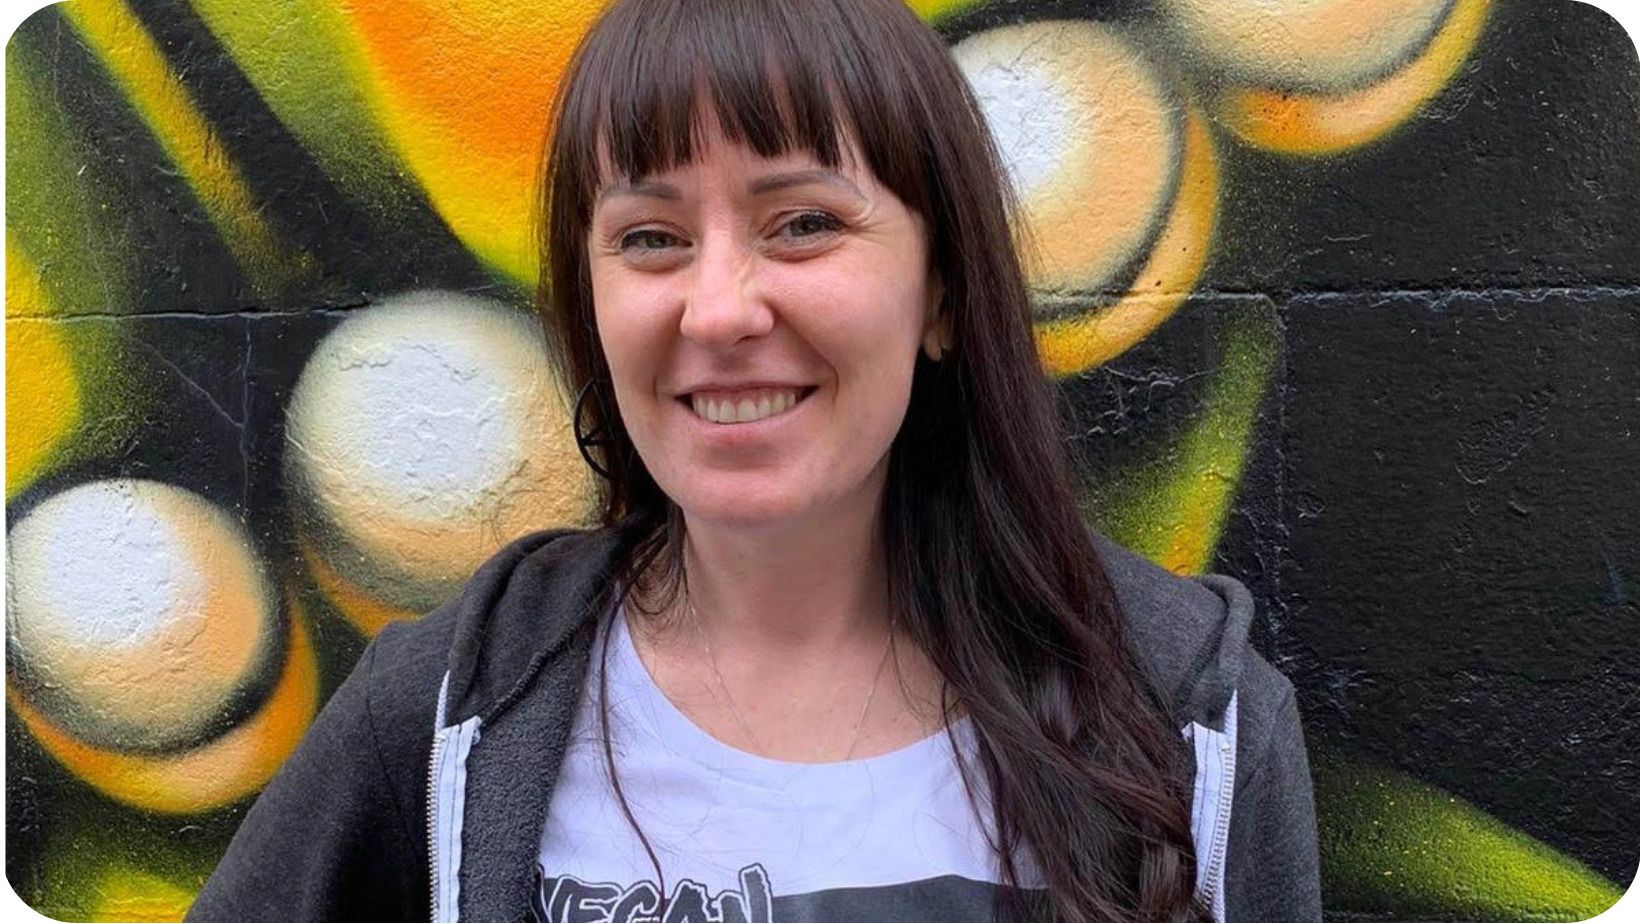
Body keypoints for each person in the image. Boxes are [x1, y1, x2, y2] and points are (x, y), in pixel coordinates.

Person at [187, 0, 1320, 920]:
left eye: (801, 223)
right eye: (649, 238)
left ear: (939, 291)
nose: (718, 308)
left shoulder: (1191, 730)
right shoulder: (444, 713)